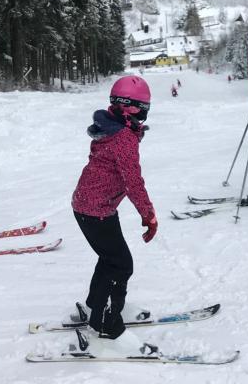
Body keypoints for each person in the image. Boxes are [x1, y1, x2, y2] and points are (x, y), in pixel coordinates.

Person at [71, 76, 157, 352]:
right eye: (143, 109)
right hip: (95, 209)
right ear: (130, 108)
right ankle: (108, 325)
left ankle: (96, 306)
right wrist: (148, 215)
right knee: (121, 264)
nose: (144, 115)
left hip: (91, 206)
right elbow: (133, 181)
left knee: (110, 259)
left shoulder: (112, 128)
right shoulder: (123, 138)